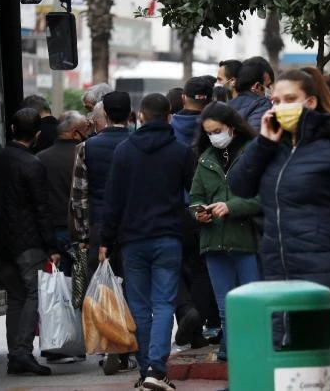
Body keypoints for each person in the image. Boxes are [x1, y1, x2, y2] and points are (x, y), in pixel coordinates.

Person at [228, 67, 330, 312]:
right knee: (287, 346)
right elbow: (239, 186)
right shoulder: (273, 146)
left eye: (290, 100)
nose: (281, 107)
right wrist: (263, 144)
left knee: (326, 347)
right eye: (276, 101)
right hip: (278, 272)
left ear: (310, 102)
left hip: (327, 273)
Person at [99, 93, 194, 391]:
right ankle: (157, 367)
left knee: (139, 304)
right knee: (164, 303)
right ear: (169, 116)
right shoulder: (181, 152)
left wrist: (106, 240)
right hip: (168, 238)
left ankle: (145, 370)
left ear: (141, 116)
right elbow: (194, 194)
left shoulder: (125, 152)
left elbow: (112, 200)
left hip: (132, 240)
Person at [0, 108, 60, 376]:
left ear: (13, 130)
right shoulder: (33, 164)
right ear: (38, 135)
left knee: (15, 298)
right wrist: (52, 247)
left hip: (3, 240)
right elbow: (42, 208)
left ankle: (15, 354)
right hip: (29, 242)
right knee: (33, 294)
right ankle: (23, 352)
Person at [70, 91, 137, 375]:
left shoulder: (87, 148)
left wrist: (83, 235)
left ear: (105, 115)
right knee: (134, 288)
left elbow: (79, 196)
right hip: (135, 227)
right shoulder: (138, 143)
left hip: (100, 228)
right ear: (130, 113)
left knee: (106, 290)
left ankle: (113, 347)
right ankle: (137, 347)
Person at [190, 102, 261, 362]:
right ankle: (232, 351)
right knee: (225, 306)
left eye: (217, 130)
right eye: (209, 132)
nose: (214, 137)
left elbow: (264, 197)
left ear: (231, 127)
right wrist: (198, 212)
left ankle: (253, 350)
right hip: (214, 242)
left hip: (247, 240)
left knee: (253, 302)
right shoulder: (205, 158)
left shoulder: (252, 152)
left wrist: (231, 207)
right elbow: (195, 197)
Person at [170, 76, 220, 349]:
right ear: (210, 99)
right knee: (202, 269)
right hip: (205, 209)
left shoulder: (169, 125)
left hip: (175, 209)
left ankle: (186, 312)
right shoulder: (214, 128)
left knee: (175, 267)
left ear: (182, 99)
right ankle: (201, 326)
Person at [37, 110, 88, 364]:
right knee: (77, 287)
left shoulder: (40, 159)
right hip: (76, 231)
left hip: (51, 232)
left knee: (55, 289)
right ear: (75, 132)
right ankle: (76, 342)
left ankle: (54, 344)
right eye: (85, 129)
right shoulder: (81, 155)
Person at [227, 61, 273, 131]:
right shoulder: (262, 104)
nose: (270, 89)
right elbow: (256, 137)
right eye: (268, 86)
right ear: (257, 86)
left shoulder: (226, 105)